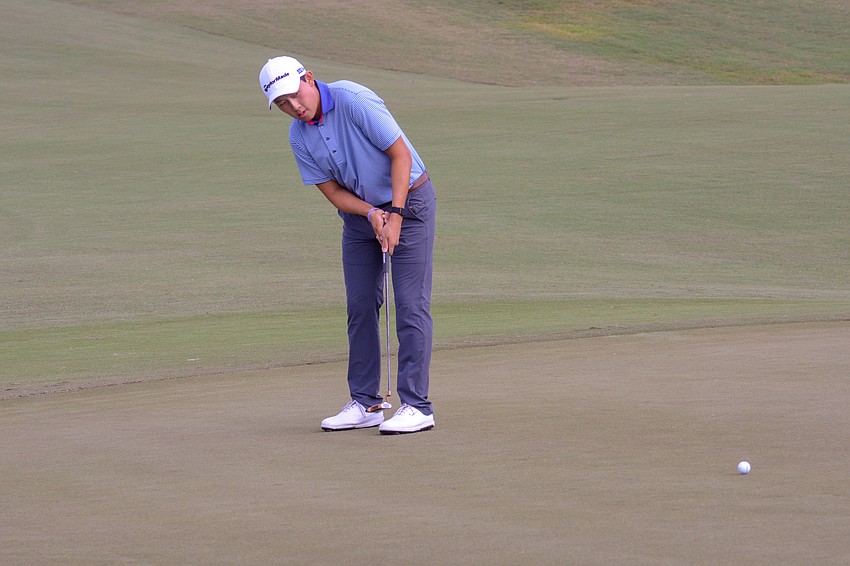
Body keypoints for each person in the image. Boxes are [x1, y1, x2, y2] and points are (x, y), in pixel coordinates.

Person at [259, 56, 436, 434]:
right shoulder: (297, 136)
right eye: (283, 105)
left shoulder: (353, 99)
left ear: (308, 78)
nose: (294, 108)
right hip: (360, 214)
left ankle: (417, 407)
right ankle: (367, 403)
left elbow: (400, 155)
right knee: (359, 305)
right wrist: (372, 214)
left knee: (409, 303)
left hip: (411, 203)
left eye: (294, 96)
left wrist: (397, 216)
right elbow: (334, 193)